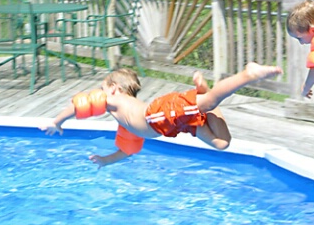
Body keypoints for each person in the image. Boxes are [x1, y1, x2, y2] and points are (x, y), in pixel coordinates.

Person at [41, 63, 283, 167]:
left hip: (158, 115)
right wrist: (105, 160)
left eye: (104, 87)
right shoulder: (126, 123)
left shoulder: (111, 100)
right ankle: (204, 93)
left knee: (208, 103)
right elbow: (126, 151)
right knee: (222, 143)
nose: (101, 92)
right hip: (171, 125)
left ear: (114, 88)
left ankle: (247, 75)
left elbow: (81, 104)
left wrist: (57, 121)